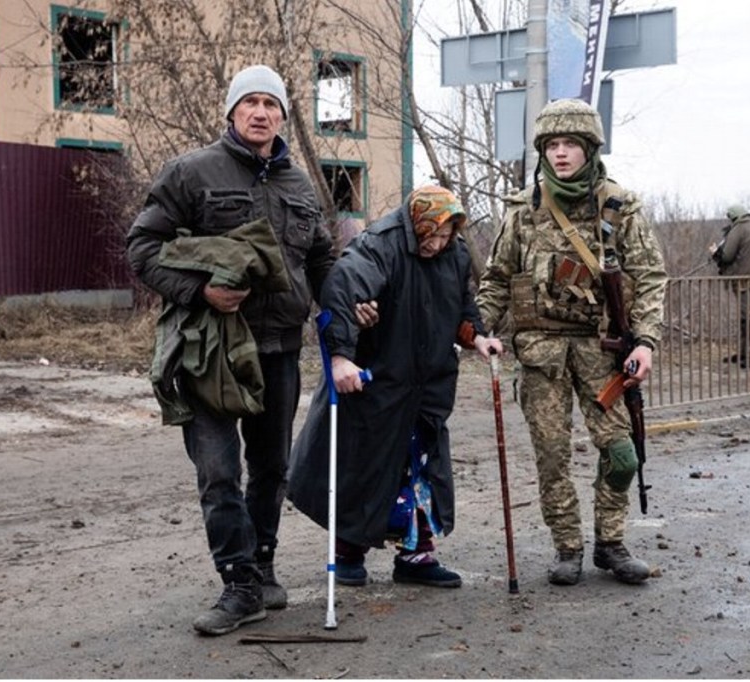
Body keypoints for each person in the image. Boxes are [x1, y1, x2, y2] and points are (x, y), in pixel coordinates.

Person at [125, 65, 335, 635]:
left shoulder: (299, 185)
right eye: (251, 103)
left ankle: (261, 570)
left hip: (279, 348)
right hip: (210, 348)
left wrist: (343, 314)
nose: (261, 112)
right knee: (219, 471)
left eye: (272, 103)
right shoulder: (192, 173)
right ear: (232, 113)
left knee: (271, 468)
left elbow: (320, 261)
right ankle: (238, 584)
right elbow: (142, 246)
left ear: (283, 116)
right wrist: (199, 291)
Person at [475, 99, 667, 586]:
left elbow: (648, 278)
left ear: (589, 149)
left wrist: (644, 341)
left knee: (621, 452)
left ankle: (611, 542)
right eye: (552, 145)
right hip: (541, 356)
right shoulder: (525, 210)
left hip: (603, 353)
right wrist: (480, 329)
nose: (561, 154)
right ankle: (568, 546)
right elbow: (497, 278)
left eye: (570, 145)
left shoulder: (619, 208)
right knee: (553, 456)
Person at [287, 185, 503, 589]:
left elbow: (462, 304)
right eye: (431, 234)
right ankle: (347, 551)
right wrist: (340, 356)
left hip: (428, 382)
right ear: (416, 222)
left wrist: (477, 336)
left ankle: (416, 554)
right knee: (364, 465)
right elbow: (341, 290)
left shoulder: (453, 254)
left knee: (420, 465)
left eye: (445, 236)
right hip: (379, 379)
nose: (436, 244)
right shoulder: (380, 245)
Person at [710, 204, 750, 368]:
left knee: (748, 319)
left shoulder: (738, 229)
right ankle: (746, 353)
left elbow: (727, 256)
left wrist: (716, 254)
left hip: (743, 281)